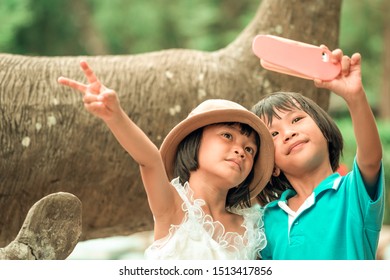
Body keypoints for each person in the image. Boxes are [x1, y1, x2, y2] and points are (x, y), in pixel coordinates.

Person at [57, 61, 275, 260]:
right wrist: (115, 116)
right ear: (194, 142)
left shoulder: (252, 226)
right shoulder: (172, 206)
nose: (240, 151)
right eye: (227, 136)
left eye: (250, 149)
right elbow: (149, 160)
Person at [251, 48, 385, 259]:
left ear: (326, 132)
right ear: (272, 166)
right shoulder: (265, 220)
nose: (289, 133)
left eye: (296, 120)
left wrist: (355, 97)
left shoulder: (352, 193)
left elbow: (371, 159)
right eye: (274, 134)